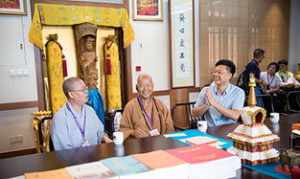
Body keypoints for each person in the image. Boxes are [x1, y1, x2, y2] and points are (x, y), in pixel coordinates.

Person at [51, 77, 109, 151]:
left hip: (95, 156)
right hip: (73, 160)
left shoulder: (90, 110)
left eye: (86, 89)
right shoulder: (60, 118)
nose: (87, 92)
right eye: (83, 90)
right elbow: (63, 151)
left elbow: (100, 132)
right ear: (71, 94)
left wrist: (106, 138)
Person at [192, 59, 245, 127]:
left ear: (229, 75)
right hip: (209, 130)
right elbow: (194, 113)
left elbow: (236, 115)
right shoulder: (206, 90)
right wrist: (206, 105)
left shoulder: (238, 92)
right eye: (214, 72)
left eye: (219, 72)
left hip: (229, 130)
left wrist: (214, 103)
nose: (215, 74)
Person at [120, 74, 174, 139]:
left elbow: (170, 127)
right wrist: (133, 132)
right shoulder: (130, 106)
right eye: (141, 86)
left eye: (148, 85)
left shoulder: (160, 105)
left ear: (152, 87)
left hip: (159, 143)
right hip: (138, 146)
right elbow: (123, 130)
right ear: (137, 88)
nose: (145, 89)